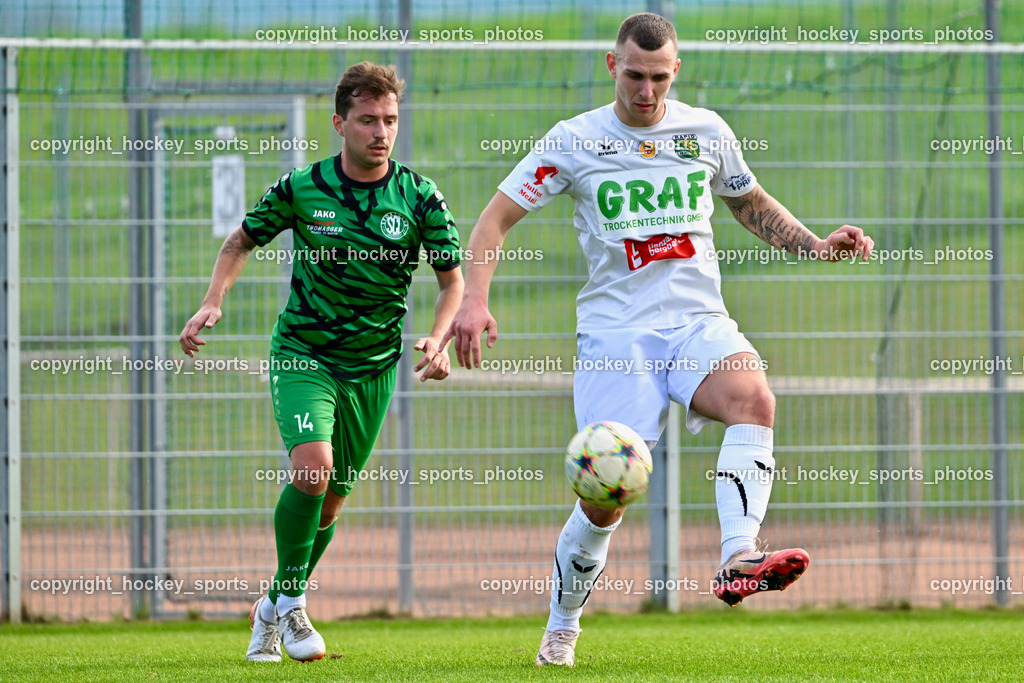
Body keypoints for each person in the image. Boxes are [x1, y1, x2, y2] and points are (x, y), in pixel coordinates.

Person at [444, 12, 873, 668]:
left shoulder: (705, 132)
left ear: (677, 73)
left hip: (698, 323)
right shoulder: (575, 140)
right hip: (618, 339)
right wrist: (474, 300)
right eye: (636, 75)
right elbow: (494, 220)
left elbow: (747, 201)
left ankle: (738, 556)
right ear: (612, 66)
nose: (646, 90)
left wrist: (815, 244)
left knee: (755, 399)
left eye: (660, 77)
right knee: (607, 497)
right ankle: (562, 627)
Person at [179, 61, 464, 663]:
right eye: (367, 120)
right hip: (304, 354)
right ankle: (294, 606)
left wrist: (438, 339)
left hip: (375, 366)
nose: (380, 132)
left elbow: (451, 281)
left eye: (389, 120)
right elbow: (241, 241)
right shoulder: (303, 187)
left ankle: (274, 605)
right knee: (312, 470)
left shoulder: (418, 195)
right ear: (340, 123)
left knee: (331, 500)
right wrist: (212, 301)